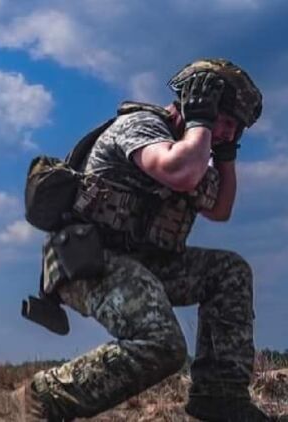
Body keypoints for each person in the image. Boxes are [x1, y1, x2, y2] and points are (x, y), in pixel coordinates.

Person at [16, 59, 271, 421]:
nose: (229, 134)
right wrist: (200, 122)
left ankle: (220, 397)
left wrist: (225, 156)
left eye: (237, 128)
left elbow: (220, 209)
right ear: (197, 104)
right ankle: (45, 397)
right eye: (226, 121)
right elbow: (177, 172)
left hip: (143, 263)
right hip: (89, 258)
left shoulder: (192, 150)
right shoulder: (142, 127)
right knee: (163, 344)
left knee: (230, 271)